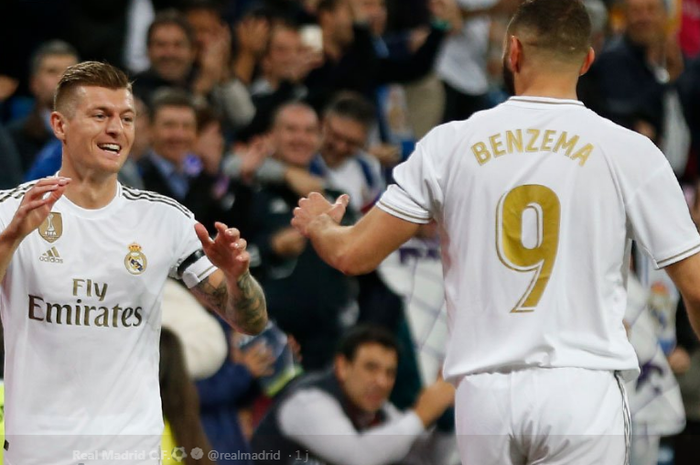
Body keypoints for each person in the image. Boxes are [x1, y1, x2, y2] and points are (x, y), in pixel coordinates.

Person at [290, 1, 700, 464]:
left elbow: (354, 255)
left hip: (484, 394)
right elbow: (696, 288)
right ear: (588, 59)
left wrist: (321, 225)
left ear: (512, 51)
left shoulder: (447, 144)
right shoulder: (632, 151)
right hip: (583, 389)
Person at [0, 61, 267, 465]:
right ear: (60, 125)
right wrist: (10, 242)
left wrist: (237, 277)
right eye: (100, 115)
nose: (116, 129)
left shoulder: (166, 220)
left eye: (126, 118)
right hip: (38, 453)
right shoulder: (10, 212)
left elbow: (249, 320)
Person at [250, 324, 454, 465]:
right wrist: (421, 414)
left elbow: (427, 460)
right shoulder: (307, 401)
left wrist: (445, 422)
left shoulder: (380, 411)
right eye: (370, 368)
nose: (381, 381)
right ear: (342, 366)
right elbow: (358, 457)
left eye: (390, 373)